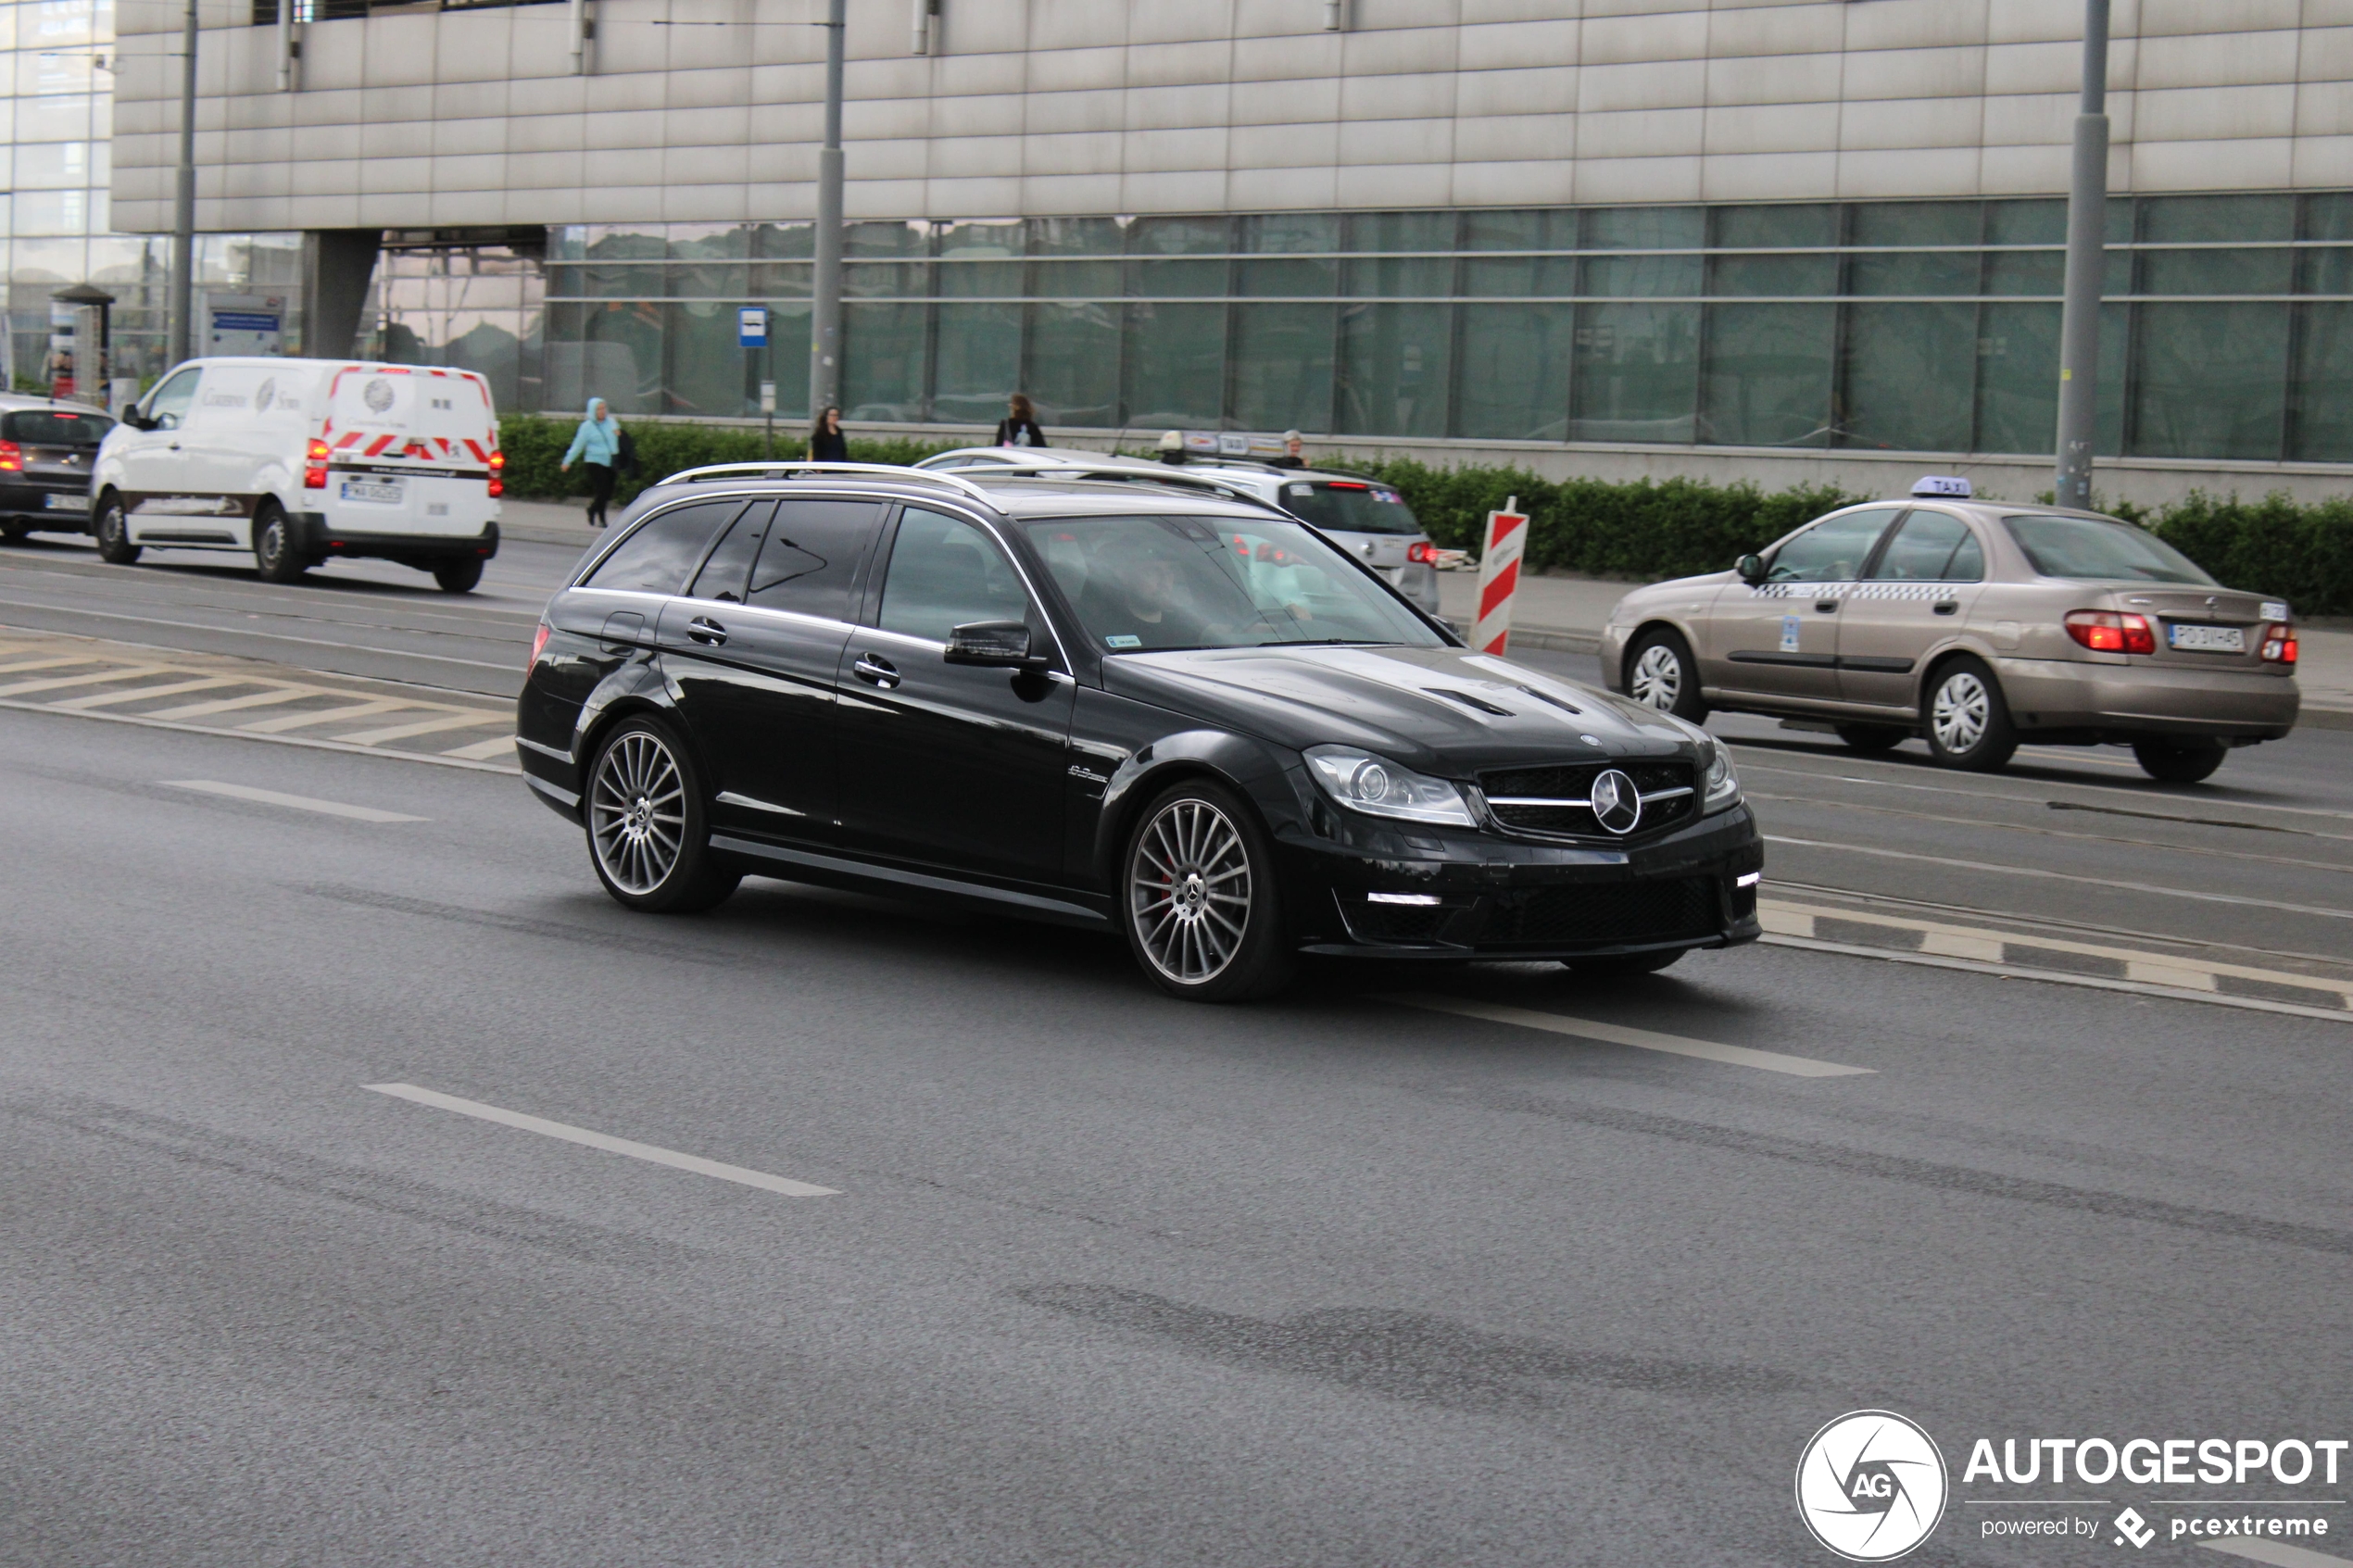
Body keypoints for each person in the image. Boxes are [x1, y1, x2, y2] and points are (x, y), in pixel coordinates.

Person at [559, 397, 623, 528]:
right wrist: (567, 461)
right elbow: (577, 446)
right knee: (602, 490)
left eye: (603, 408)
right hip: (594, 461)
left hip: (611, 462)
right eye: (599, 409)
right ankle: (602, 519)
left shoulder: (612, 423)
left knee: (608, 492)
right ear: (592, 410)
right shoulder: (586, 427)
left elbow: (618, 441)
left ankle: (592, 509)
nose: (602, 411)